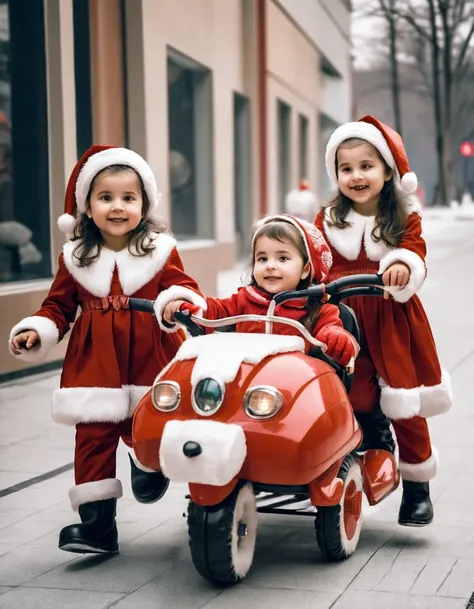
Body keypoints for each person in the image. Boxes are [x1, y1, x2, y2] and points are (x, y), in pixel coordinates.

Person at [8, 145, 205, 554]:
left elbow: (182, 287)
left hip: (151, 356)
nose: (118, 207)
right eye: (106, 197)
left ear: (144, 204)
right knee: (93, 437)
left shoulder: (160, 250)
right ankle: (97, 525)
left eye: (128, 198)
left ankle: (147, 460)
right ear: (87, 207)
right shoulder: (75, 257)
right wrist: (38, 329)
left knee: (149, 423)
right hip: (95, 364)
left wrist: (180, 303)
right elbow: (58, 306)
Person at [315, 115, 453, 526]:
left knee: (405, 402)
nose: (356, 176)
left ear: (387, 171)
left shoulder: (403, 216)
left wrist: (402, 266)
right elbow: (315, 258)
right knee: (352, 393)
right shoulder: (328, 219)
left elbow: (414, 252)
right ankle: (369, 447)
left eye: (366, 166)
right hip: (342, 318)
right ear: (336, 174)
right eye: (346, 168)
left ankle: (417, 488)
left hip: (391, 319)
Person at [158, 214, 358, 369]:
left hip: (296, 392)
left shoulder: (319, 308)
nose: (270, 266)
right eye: (262, 259)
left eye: (282, 258)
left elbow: (331, 330)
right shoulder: (244, 300)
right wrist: (186, 304)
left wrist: (336, 338)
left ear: (306, 269)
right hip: (247, 387)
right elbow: (213, 311)